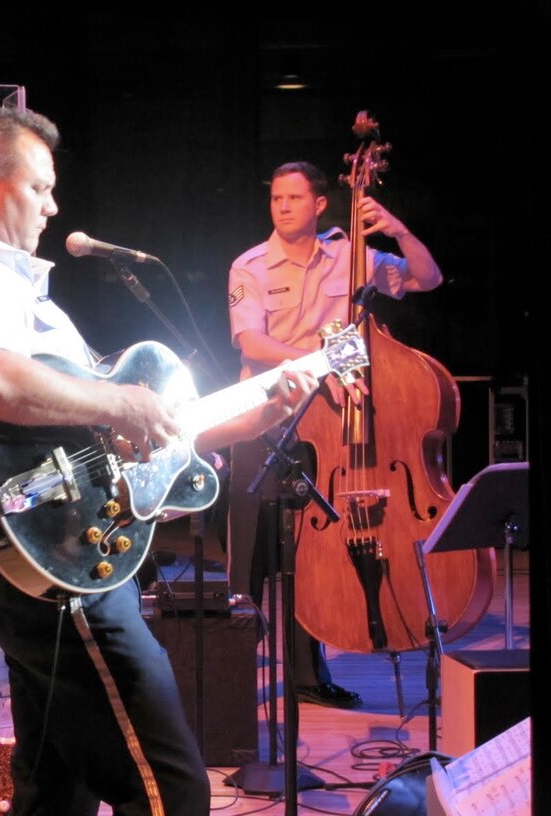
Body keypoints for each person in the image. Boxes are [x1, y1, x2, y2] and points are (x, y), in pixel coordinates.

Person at [0, 107, 318, 815]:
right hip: (72, 584)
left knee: (53, 797)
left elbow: (132, 441)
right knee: (172, 794)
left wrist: (260, 413)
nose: (53, 205)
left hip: (54, 567)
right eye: (39, 188)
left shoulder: (12, 290)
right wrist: (120, 403)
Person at [226, 160, 443, 708]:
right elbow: (251, 343)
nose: (282, 207)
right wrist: (324, 359)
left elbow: (426, 277)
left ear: (321, 203)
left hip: (333, 418)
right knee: (248, 550)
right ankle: (227, 674)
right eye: (276, 199)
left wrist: (395, 229)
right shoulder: (249, 265)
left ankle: (304, 672)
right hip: (266, 412)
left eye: (293, 199)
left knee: (308, 548)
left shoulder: (351, 257)